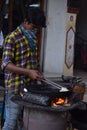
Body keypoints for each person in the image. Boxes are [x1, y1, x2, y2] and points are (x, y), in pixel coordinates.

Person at [1, 7, 46, 130]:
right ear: (26, 22)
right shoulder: (12, 38)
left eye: (38, 28)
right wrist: (28, 72)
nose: (36, 30)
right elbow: (5, 65)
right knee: (11, 123)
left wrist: (37, 72)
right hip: (15, 88)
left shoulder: (32, 38)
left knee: (24, 122)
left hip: (29, 88)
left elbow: (31, 63)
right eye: (34, 26)